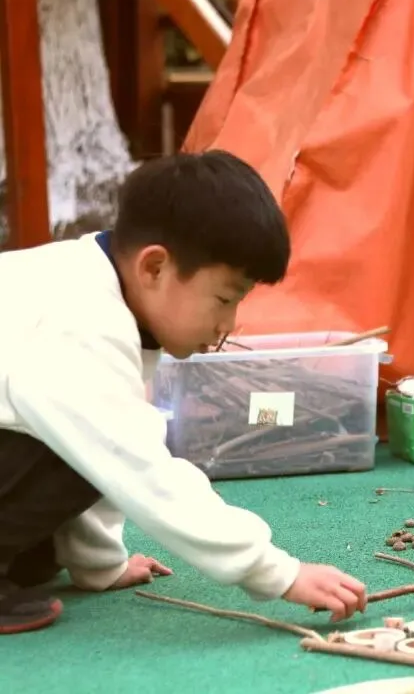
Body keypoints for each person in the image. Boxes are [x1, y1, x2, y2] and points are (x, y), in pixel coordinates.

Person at [0, 150, 366, 635]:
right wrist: (278, 572)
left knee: (88, 454)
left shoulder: (104, 291)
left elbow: (89, 451)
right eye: (224, 298)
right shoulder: (78, 322)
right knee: (120, 441)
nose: (227, 324)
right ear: (154, 267)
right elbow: (135, 466)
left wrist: (100, 566)